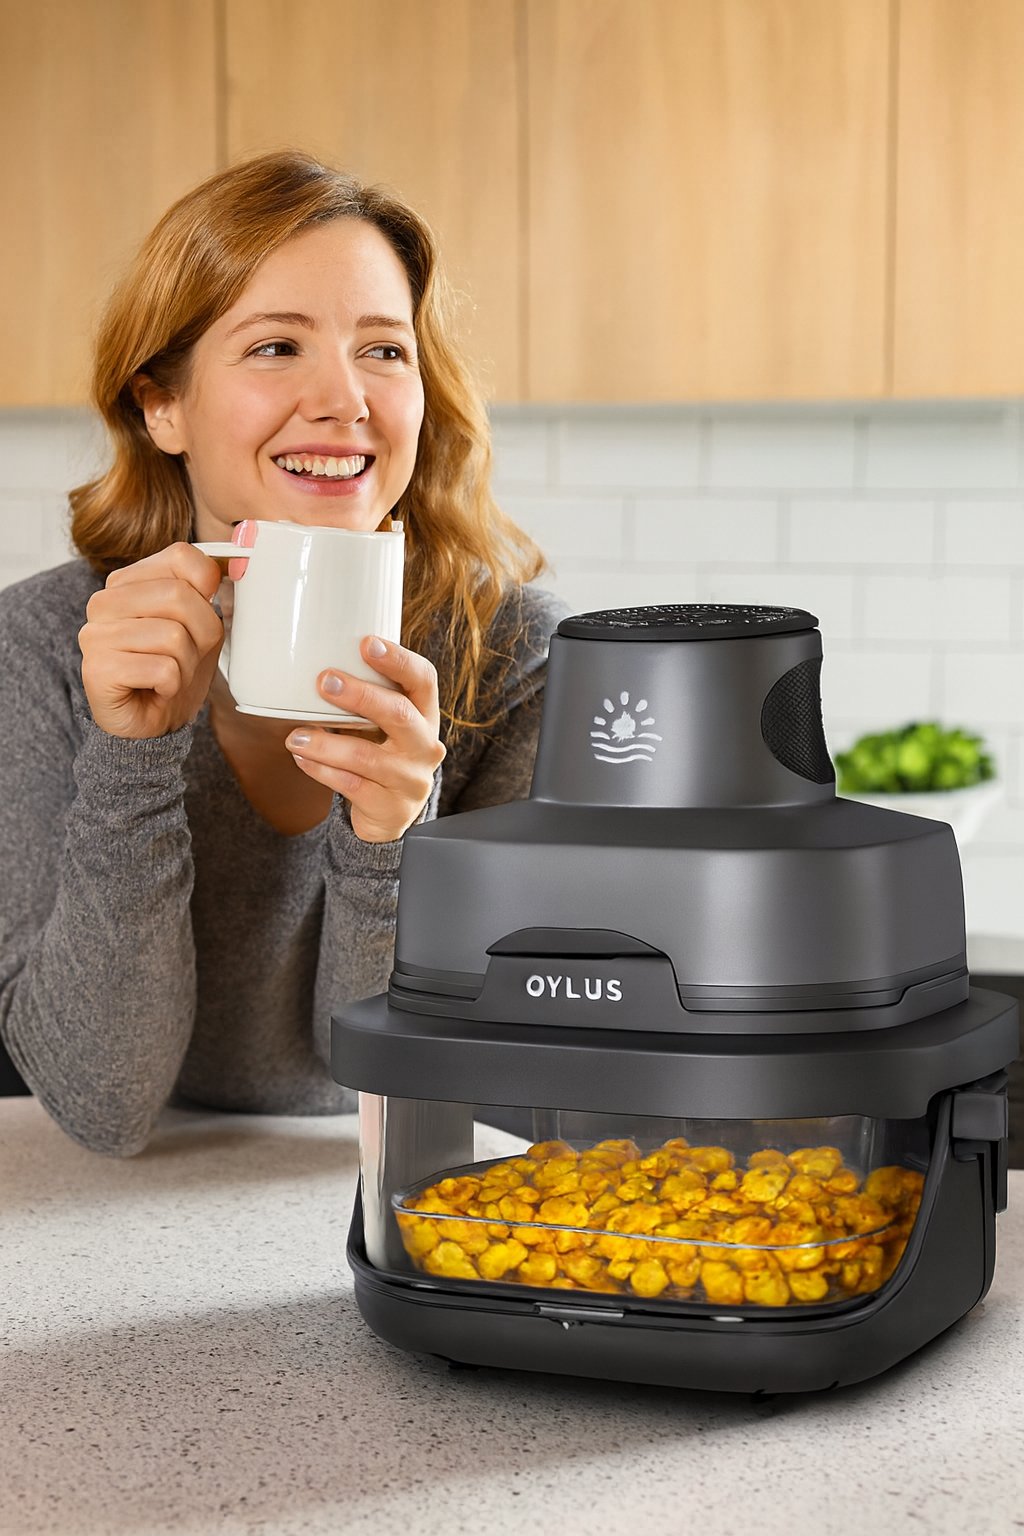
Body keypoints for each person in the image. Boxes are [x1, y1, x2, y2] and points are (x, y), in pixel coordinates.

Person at [0, 151, 566, 1155]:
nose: (344, 397)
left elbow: (400, 1087)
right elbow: (102, 1102)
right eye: (274, 348)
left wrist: (392, 839)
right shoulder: (41, 648)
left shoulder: (513, 655)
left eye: (384, 352)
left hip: (370, 1187)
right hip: (120, 1201)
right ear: (159, 405)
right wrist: (128, 757)